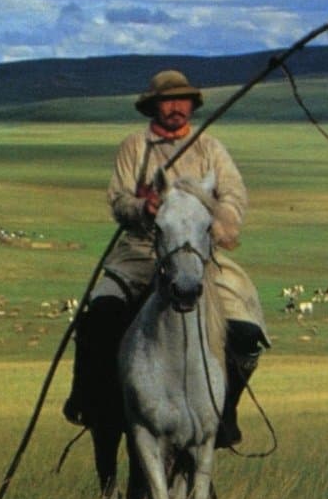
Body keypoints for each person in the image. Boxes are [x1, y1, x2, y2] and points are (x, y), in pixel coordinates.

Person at [63, 69, 269, 448]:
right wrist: (143, 207)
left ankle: (223, 412)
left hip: (199, 256)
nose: (176, 107)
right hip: (141, 251)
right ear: (154, 106)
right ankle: (93, 403)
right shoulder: (134, 147)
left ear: (192, 105)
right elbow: (118, 199)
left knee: (245, 332)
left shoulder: (209, 149)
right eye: (168, 100)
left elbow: (234, 196)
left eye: (183, 100)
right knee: (99, 317)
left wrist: (217, 224)